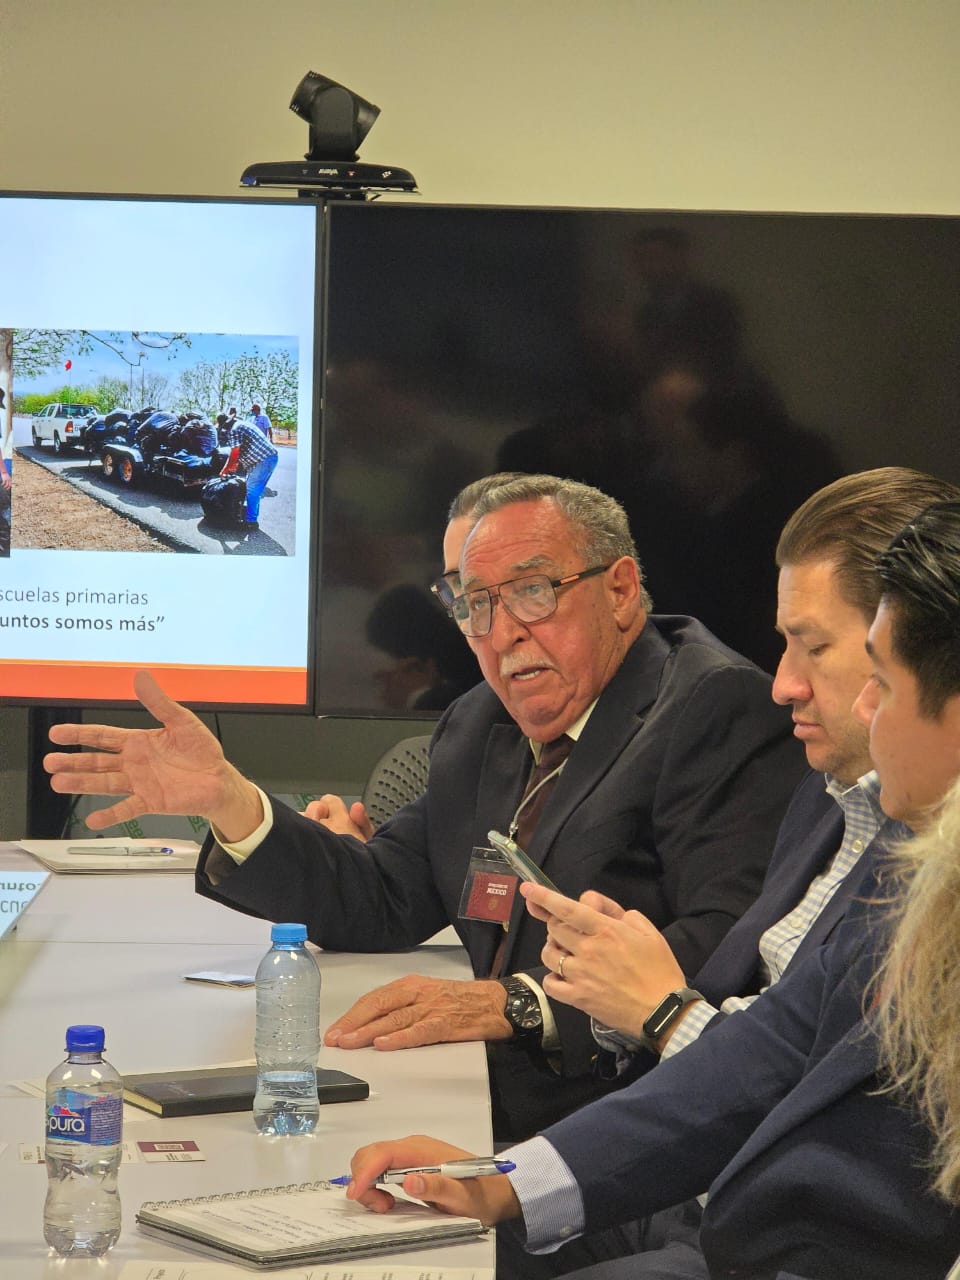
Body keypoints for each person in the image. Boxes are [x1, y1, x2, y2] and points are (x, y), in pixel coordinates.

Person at [44, 475, 803, 1141]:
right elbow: (383, 895)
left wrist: (518, 1003)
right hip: (469, 1094)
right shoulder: (479, 722)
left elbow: (734, 945)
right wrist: (232, 801)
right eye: (477, 605)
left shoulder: (712, 707)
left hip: (623, 1121)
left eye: (534, 591)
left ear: (621, 589)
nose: (503, 633)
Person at [342, 498, 960, 1280]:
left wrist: (661, 1014)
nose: (783, 685)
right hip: (694, 1190)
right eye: (476, 604)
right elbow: (771, 1048)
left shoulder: (731, 718)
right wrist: (505, 1181)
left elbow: (830, 1143)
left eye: (881, 677)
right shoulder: (869, 817)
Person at [227, 413, 278, 528]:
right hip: (269, 457)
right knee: (254, 489)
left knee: (252, 490)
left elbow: (234, 454)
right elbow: (239, 453)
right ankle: (250, 516)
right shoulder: (244, 424)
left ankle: (251, 521)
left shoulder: (234, 429)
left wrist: (225, 470)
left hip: (263, 460)